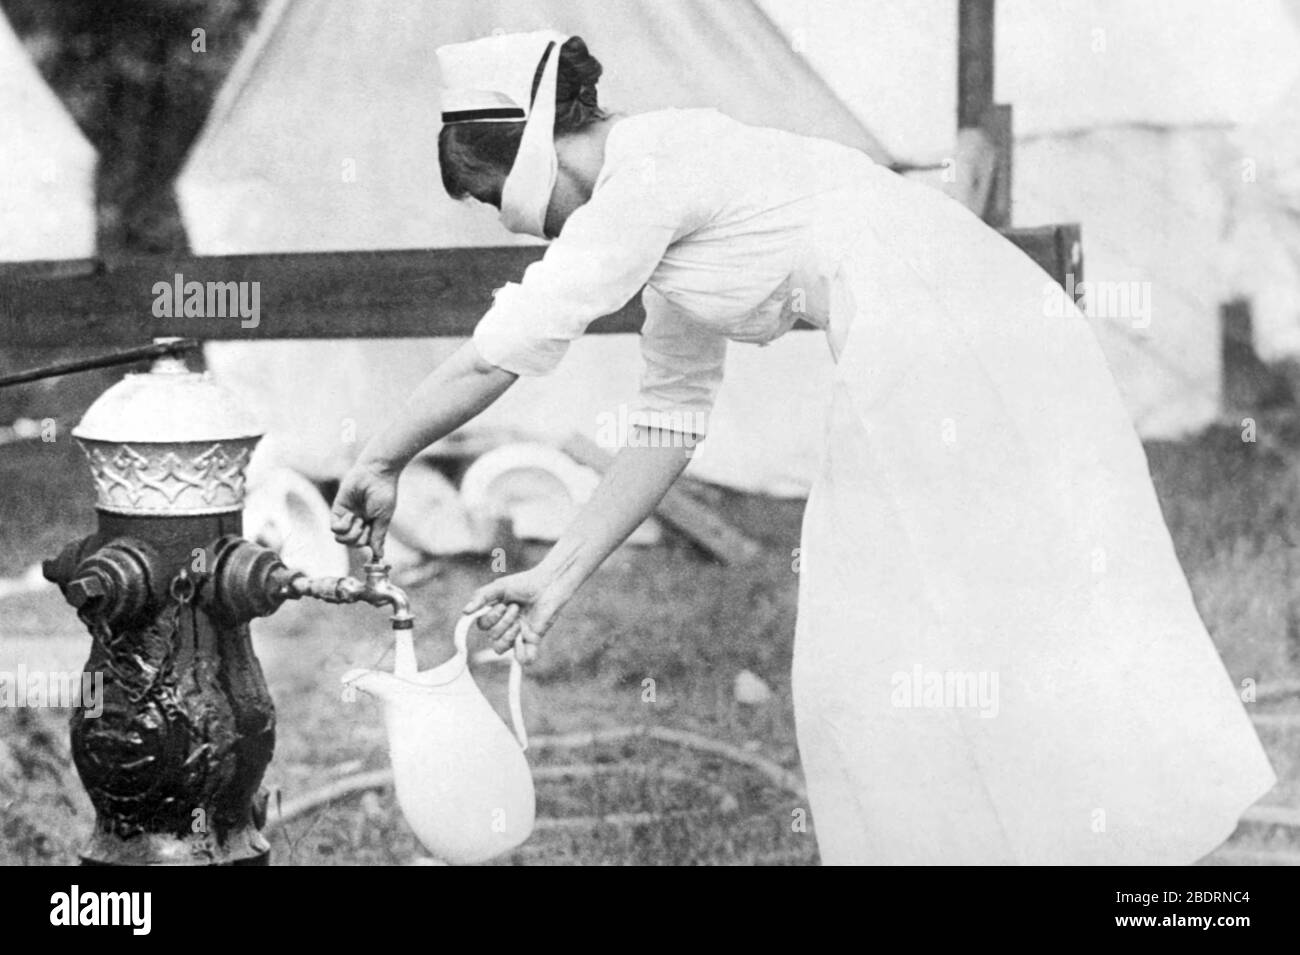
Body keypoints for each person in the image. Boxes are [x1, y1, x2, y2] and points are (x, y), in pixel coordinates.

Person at [330, 30, 1276, 864]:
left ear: (535, 146)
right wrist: (559, 574)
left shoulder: (648, 172)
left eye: (494, 194)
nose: (504, 221)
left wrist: (382, 455)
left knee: (900, 641)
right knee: (915, 643)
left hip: (957, 333)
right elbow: (668, 422)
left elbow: (508, 347)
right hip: (954, 330)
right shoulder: (656, 222)